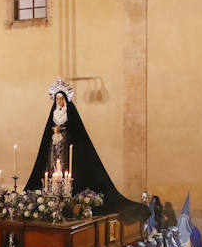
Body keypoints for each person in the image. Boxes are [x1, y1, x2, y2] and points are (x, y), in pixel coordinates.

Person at [24, 79, 149, 218]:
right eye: (57, 98)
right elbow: (48, 131)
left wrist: (63, 131)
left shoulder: (68, 112)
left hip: (67, 146)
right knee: (53, 165)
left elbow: (75, 130)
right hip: (54, 145)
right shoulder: (54, 113)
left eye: (61, 98)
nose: (59, 101)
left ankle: (68, 193)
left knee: (67, 166)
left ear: (65, 99)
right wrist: (55, 132)